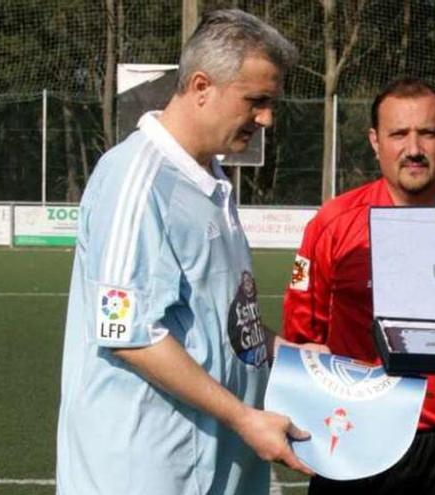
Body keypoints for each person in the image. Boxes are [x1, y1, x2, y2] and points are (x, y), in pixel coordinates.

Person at [56, 9, 318, 494]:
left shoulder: (210, 180)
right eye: (256, 101)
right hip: (146, 468)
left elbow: (218, 317)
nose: (267, 118)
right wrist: (243, 416)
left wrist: (290, 354)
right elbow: (130, 335)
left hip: (212, 461)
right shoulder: (136, 181)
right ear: (201, 87)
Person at [283, 77, 435, 495]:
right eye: (398, 134)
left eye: (428, 133)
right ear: (374, 140)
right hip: (354, 436)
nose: (414, 149)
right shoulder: (333, 222)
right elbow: (303, 335)